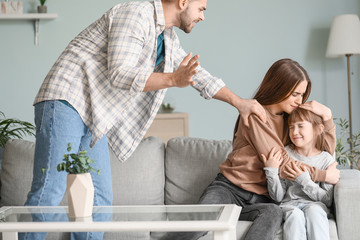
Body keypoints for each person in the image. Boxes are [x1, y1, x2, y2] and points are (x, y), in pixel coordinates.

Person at [22, 1, 266, 240]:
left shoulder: (166, 38)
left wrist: (239, 103)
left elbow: (199, 77)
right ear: (182, 2)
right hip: (66, 100)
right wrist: (172, 79)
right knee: (50, 190)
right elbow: (120, 72)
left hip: (94, 114)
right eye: (201, 8)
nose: (203, 16)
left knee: (100, 198)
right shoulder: (136, 14)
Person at [161, 58, 340, 240]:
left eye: (302, 95)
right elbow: (285, 165)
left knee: (273, 214)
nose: (300, 101)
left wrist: (327, 117)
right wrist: (322, 175)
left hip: (264, 197)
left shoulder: (292, 122)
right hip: (229, 189)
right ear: (280, 88)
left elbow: (324, 151)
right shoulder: (255, 113)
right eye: (295, 94)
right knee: (201, 223)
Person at [263, 107, 335, 240]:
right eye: (291, 127)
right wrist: (271, 172)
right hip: (289, 205)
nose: (294, 132)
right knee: (295, 215)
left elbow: (327, 199)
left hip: (315, 205)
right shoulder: (285, 154)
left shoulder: (326, 160)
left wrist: (304, 180)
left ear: (318, 129)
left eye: (300, 126)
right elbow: (278, 198)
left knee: (314, 211)